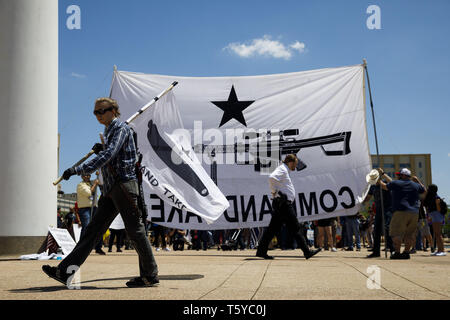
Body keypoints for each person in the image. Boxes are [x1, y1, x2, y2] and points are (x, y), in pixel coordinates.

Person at [42, 97, 159, 288]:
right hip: (112, 189)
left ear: (113, 110)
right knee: (92, 231)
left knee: (136, 231)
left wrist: (78, 169)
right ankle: (65, 272)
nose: (98, 115)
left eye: (101, 111)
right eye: (95, 112)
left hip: (124, 186)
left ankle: (150, 274)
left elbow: (109, 154)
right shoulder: (109, 131)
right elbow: (109, 152)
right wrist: (101, 148)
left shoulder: (120, 128)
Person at [256, 154, 321, 260]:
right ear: (290, 162)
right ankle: (307, 251)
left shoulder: (284, 169)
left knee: (272, 229)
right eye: (295, 164)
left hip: (281, 204)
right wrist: (275, 192)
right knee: (295, 227)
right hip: (284, 204)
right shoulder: (282, 169)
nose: (295, 166)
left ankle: (261, 251)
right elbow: (271, 177)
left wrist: (275, 193)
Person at [377, 168, 425, 259]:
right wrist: (417, 180)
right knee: (409, 234)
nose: (397, 176)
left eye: (399, 175)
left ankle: (397, 253)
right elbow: (424, 190)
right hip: (414, 213)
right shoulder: (415, 185)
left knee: (395, 233)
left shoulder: (396, 183)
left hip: (400, 212)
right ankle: (406, 253)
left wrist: (377, 179)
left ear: (403, 175)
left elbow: (385, 186)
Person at [363, 172, 395, 258]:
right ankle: (376, 252)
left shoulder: (385, 183)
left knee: (387, 228)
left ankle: (392, 250)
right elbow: (368, 197)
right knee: (376, 231)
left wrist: (382, 178)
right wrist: (361, 201)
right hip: (378, 210)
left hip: (387, 209)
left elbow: (392, 184)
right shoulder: (372, 187)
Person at [76, 174, 105, 255]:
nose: (87, 177)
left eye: (88, 175)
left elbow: (101, 183)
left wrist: (99, 176)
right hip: (85, 208)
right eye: (85, 175)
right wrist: (95, 184)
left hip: (94, 207)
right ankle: (81, 248)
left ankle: (98, 247)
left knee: (99, 227)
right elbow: (89, 193)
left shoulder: (92, 182)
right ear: (82, 177)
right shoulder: (81, 185)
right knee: (86, 227)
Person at [423, 184, 446, 256]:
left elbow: (438, 210)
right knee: (436, 234)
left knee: (438, 234)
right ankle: (439, 250)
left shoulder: (436, 198)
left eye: (428, 188)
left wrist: (437, 204)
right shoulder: (431, 197)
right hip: (434, 215)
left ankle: (442, 250)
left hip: (437, 216)